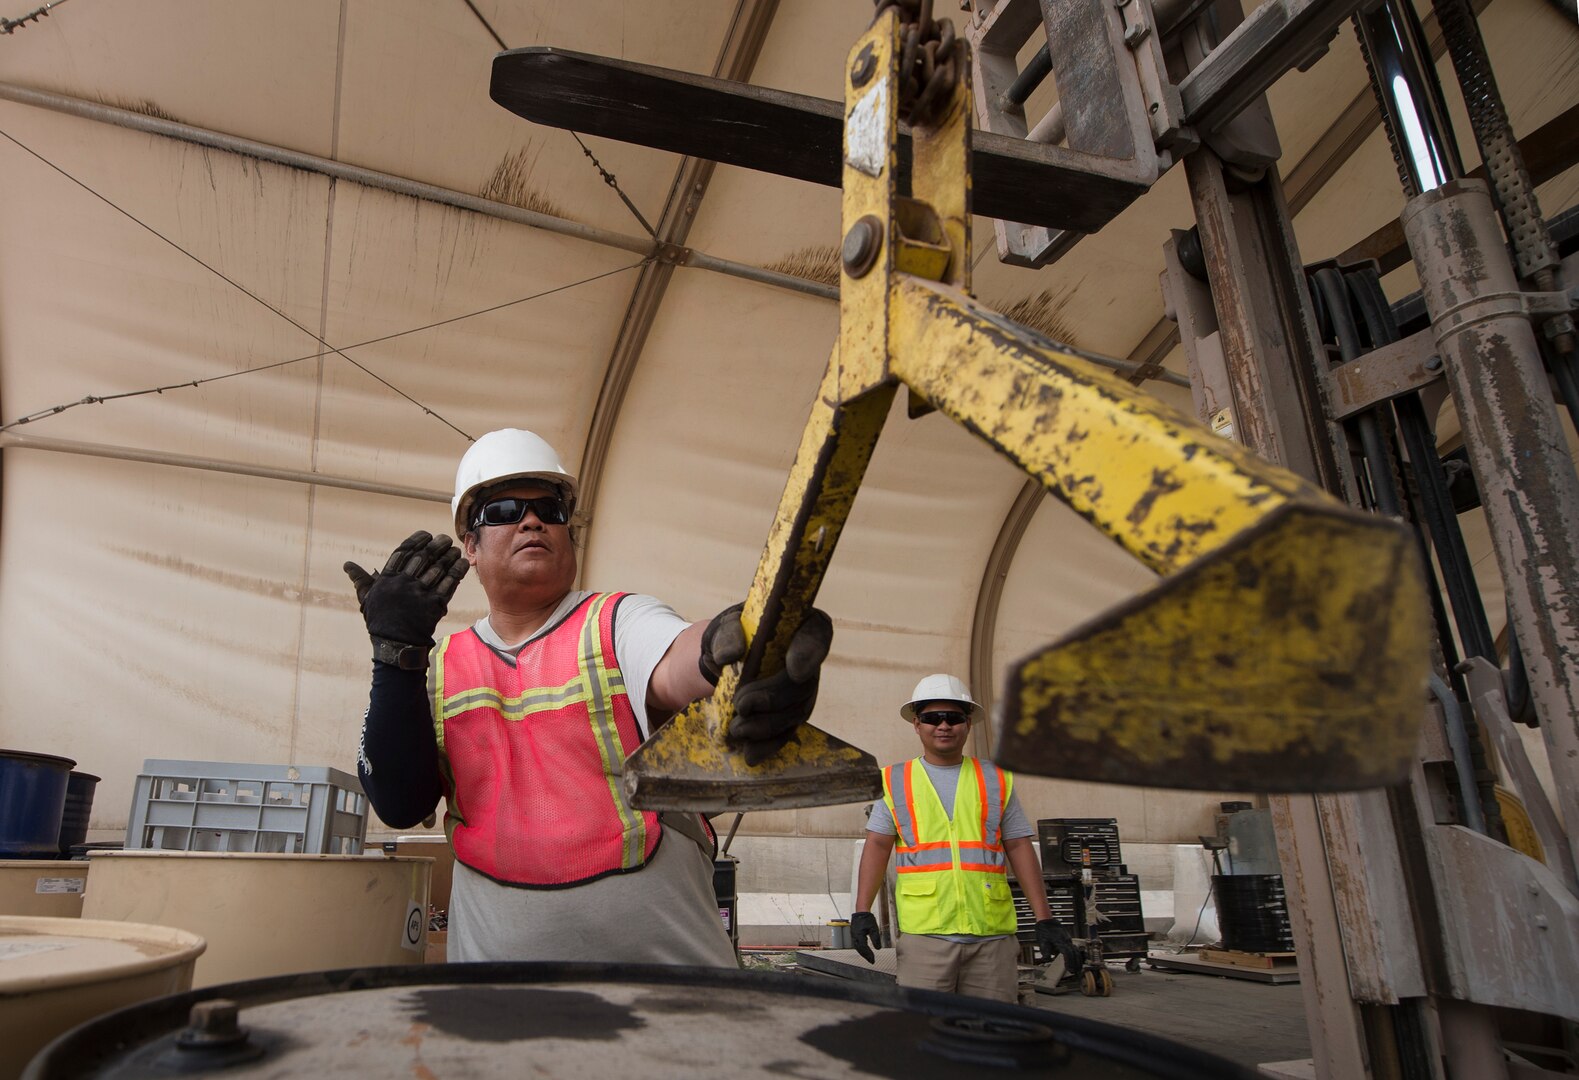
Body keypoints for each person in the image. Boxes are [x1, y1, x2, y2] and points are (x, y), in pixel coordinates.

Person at [346, 428, 833, 965]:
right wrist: (395, 659)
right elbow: (398, 801)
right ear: (470, 546)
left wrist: (742, 645)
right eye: (505, 509)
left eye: (549, 509)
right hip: (498, 1015)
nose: (532, 521)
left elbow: (679, 658)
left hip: (670, 1000)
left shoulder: (617, 619)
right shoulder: (439, 668)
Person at [849, 674, 1080, 1002]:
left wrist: (1045, 918)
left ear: (968, 724)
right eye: (932, 718)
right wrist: (861, 911)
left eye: (953, 718)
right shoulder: (893, 780)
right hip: (926, 939)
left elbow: (1018, 845)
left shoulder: (996, 779)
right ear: (916, 724)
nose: (943, 726)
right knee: (927, 1034)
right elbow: (878, 845)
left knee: (991, 1036)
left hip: (991, 940)